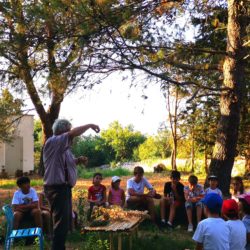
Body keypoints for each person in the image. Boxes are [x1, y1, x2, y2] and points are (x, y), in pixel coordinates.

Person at [43, 119, 100, 250]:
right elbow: (72, 133)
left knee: (64, 222)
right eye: (68, 130)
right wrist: (90, 124)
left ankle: (60, 247)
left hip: (63, 188)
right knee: (60, 223)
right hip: (57, 189)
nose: (71, 134)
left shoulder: (64, 148)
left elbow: (66, 164)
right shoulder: (54, 141)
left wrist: (78, 160)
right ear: (62, 131)